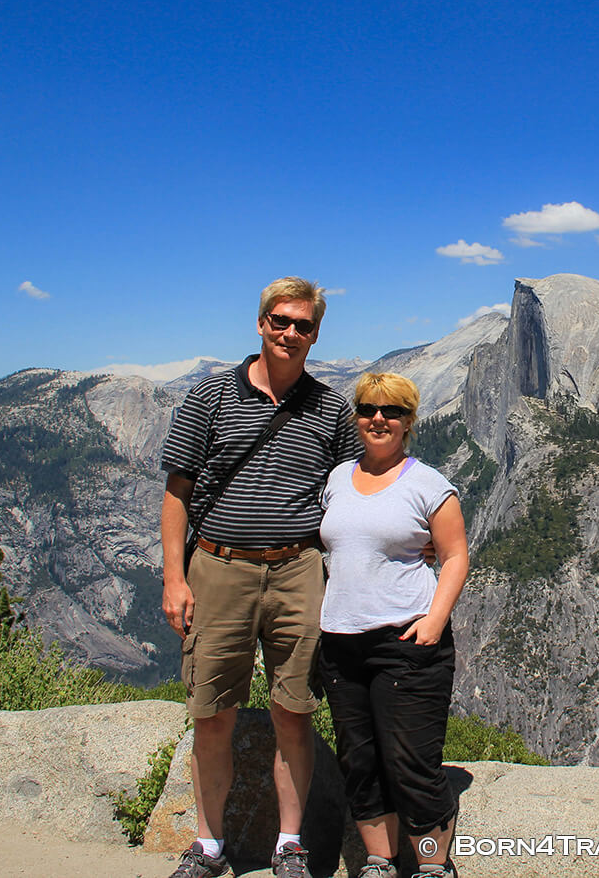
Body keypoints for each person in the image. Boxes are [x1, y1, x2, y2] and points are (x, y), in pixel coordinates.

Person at [159, 276, 362, 878]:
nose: (291, 333)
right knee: (212, 712)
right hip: (219, 569)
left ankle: (289, 846)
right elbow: (176, 493)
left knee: (293, 711)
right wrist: (175, 578)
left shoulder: (331, 409)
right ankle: (209, 846)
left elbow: (358, 486)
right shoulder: (210, 397)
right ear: (261, 323)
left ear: (316, 333)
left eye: (304, 325)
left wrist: (422, 527)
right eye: (281, 321)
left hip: (299, 569)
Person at [318, 373, 469, 878]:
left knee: (410, 761)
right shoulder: (338, 478)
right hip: (341, 641)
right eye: (367, 409)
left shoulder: (428, 483)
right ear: (356, 415)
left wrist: (434, 621)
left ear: (409, 421)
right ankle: (380, 863)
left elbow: (454, 557)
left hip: (406, 639)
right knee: (359, 761)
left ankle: (431, 867)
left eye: (392, 411)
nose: (378, 418)